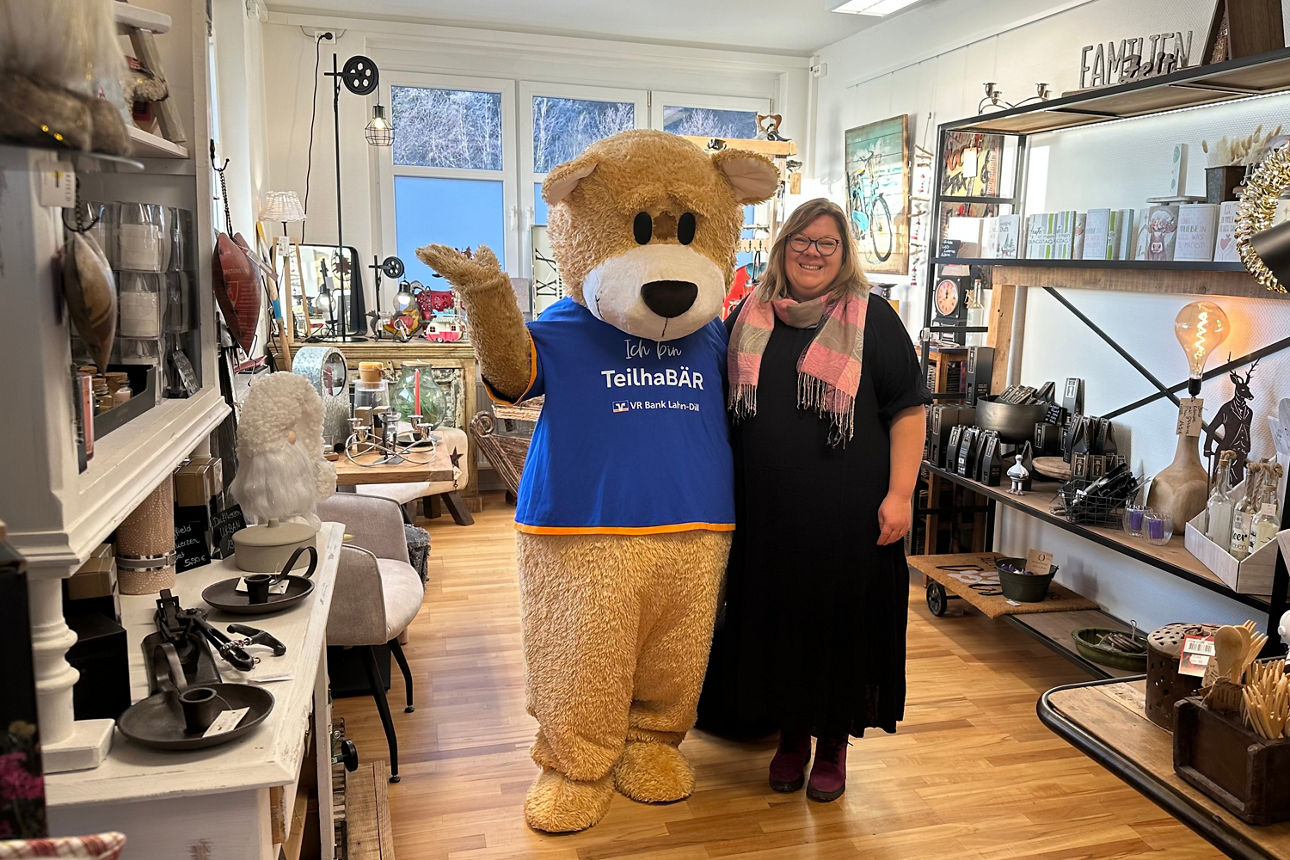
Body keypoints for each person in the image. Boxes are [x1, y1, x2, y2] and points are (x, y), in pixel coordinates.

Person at [713, 197, 929, 802]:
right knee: (776, 620)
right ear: (783, 247)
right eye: (801, 240)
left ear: (843, 253)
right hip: (767, 515)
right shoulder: (749, 316)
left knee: (840, 625)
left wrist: (900, 495)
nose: (812, 252)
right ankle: (791, 738)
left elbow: (909, 412)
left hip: (848, 516)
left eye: (826, 243)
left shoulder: (874, 319)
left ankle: (832, 743)